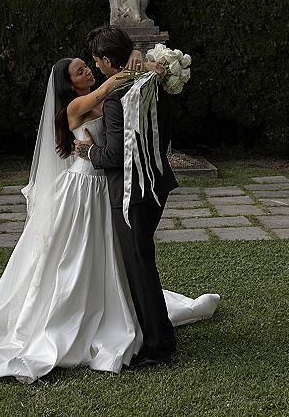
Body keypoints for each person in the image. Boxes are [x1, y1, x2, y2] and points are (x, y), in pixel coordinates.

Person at [0, 50, 219, 383]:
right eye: (80, 71)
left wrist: (140, 60)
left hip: (107, 186)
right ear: (67, 83)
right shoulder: (74, 107)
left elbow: (123, 88)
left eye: (88, 66)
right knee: (72, 256)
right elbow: (111, 86)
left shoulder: (104, 95)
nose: (88, 72)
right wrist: (134, 61)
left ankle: (119, 309)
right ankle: (68, 317)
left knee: (112, 254)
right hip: (82, 186)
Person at [75, 24, 180, 368]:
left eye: (97, 62)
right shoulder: (151, 81)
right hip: (158, 184)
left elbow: (113, 156)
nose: (96, 68)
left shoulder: (116, 100)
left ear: (107, 61)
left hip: (132, 192)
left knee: (140, 267)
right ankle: (162, 335)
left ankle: (156, 348)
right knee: (144, 264)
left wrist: (89, 151)